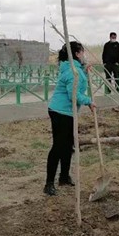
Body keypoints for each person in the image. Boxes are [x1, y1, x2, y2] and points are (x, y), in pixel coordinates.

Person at [44, 42, 95, 196]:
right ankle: (49, 184)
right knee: (59, 147)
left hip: (67, 112)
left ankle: (64, 177)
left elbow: (77, 85)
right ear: (77, 54)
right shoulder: (73, 72)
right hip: (60, 112)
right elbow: (74, 95)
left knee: (68, 146)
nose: (84, 55)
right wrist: (89, 101)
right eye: (82, 52)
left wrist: (85, 73)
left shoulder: (73, 69)